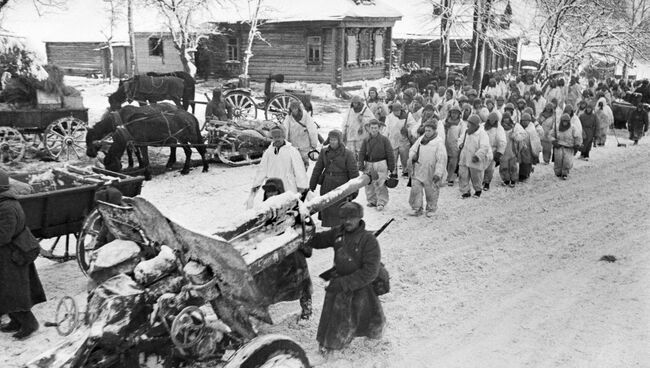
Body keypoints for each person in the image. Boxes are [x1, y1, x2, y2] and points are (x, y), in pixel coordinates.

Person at [309, 202, 384, 353]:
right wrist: (304, 233)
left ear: (359, 218)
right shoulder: (338, 233)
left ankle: (372, 340)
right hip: (340, 282)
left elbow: (370, 272)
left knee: (367, 318)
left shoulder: (368, 240)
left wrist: (344, 283)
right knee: (335, 318)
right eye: (344, 218)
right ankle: (329, 345)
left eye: (352, 218)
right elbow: (317, 240)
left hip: (360, 286)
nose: (348, 221)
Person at [256, 178, 313, 320]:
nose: (270, 195)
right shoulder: (264, 210)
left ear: (280, 191)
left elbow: (306, 227)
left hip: (291, 252)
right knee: (263, 285)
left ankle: (307, 309)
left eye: (273, 191)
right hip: (273, 254)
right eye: (268, 192)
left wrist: (301, 243)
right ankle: (261, 315)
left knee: (302, 282)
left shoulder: (293, 207)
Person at [0, 169, 46, 339]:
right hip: (10, 253)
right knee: (7, 292)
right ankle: (15, 321)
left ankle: (29, 324)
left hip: (11, 255)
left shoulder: (6, 207)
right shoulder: (5, 202)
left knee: (12, 292)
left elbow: (4, 235)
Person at [309, 130, 359, 227]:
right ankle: (330, 233)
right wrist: (312, 185)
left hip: (342, 186)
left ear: (339, 140)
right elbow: (317, 169)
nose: (332, 142)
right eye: (331, 139)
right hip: (327, 185)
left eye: (335, 140)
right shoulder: (324, 152)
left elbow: (354, 174)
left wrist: (354, 191)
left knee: (340, 212)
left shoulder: (348, 154)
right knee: (327, 210)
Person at [250, 126, 308, 205]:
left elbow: (299, 170)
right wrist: (255, 187)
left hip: (288, 187)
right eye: (274, 137)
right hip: (272, 188)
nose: (277, 139)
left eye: (279, 137)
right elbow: (262, 170)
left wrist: (302, 186)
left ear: (283, 137)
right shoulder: (268, 152)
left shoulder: (292, 151)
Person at [407, 119, 447, 216]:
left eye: (429, 131)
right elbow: (413, 149)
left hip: (431, 170)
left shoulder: (438, 142)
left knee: (431, 191)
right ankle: (417, 207)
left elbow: (441, 160)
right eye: (426, 130)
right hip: (419, 168)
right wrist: (413, 156)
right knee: (416, 189)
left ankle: (431, 208)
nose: (427, 132)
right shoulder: (421, 139)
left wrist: (438, 173)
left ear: (434, 130)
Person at [358, 119, 395, 211]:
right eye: (372, 128)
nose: (374, 130)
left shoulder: (384, 140)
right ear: (369, 129)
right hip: (369, 163)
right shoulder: (366, 140)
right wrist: (361, 163)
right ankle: (372, 200)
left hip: (381, 163)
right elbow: (361, 153)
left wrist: (391, 166)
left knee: (380, 182)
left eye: (376, 128)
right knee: (369, 182)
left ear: (379, 128)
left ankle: (381, 201)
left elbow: (390, 153)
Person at [458, 114, 492, 198]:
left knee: (476, 175)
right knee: (463, 174)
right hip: (464, 157)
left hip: (475, 158)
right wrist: (459, 145)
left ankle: (478, 190)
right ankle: (465, 191)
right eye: (469, 123)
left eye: (471, 123)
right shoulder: (466, 131)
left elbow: (485, 146)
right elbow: (460, 139)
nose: (469, 125)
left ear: (476, 124)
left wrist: (478, 156)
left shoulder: (482, 134)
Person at [384, 101, 418, 177]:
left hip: (404, 140)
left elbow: (414, 126)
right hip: (392, 140)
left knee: (405, 156)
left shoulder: (407, 116)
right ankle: (394, 172)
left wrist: (407, 130)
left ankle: (405, 170)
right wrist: (385, 139)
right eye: (395, 111)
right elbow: (386, 129)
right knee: (393, 157)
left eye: (398, 110)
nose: (397, 112)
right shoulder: (389, 117)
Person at [283, 100, 319, 169]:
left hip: (304, 144)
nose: (294, 110)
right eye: (292, 108)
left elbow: (312, 130)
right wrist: (285, 142)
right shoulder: (288, 117)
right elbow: (285, 129)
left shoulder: (306, 116)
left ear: (298, 108)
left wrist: (314, 144)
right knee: (293, 164)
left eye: (295, 108)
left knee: (304, 163)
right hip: (293, 145)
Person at [550, 113, 582, 179]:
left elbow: (577, 136)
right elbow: (551, 135)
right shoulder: (557, 127)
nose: (565, 122)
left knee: (567, 161)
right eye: (563, 121)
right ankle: (558, 173)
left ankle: (565, 173)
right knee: (558, 161)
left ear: (569, 121)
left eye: (566, 121)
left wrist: (577, 144)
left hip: (569, 147)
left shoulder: (573, 128)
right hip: (558, 146)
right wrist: (554, 141)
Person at [499, 112, 527, 187]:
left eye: (507, 118)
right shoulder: (500, 127)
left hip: (512, 149)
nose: (506, 120)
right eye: (504, 118)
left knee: (513, 166)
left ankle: (513, 180)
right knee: (503, 166)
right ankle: (506, 179)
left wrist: (515, 135)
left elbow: (524, 135)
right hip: (503, 149)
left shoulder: (515, 126)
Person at [482, 112, 506, 191]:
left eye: (494, 120)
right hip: (483, 149)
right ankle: (481, 180)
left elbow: (502, 141)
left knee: (490, 168)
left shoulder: (499, 128)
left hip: (493, 150)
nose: (491, 122)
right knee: (481, 167)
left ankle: (487, 182)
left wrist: (499, 153)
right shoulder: (482, 126)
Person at [518, 113, 541, 182]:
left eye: (526, 120)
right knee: (521, 162)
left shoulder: (532, 129)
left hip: (529, 148)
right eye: (523, 120)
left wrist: (535, 150)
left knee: (527, 162)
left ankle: (525, 174)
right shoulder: (519, 128)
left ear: (529, 121)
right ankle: (521, 173)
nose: (524, 122)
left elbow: (535, 140)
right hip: (521, 148)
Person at [444, 105, 463, 186]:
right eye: (452, 112)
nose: (454, 114)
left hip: (455, 144)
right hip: (446, 143)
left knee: (453, 161)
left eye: (456, 113)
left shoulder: (461, 123)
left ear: (459, 114)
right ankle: (445, 176)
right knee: (445, 160)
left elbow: (462, 134)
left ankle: (451, 178)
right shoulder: (445, 121)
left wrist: (460, 143)